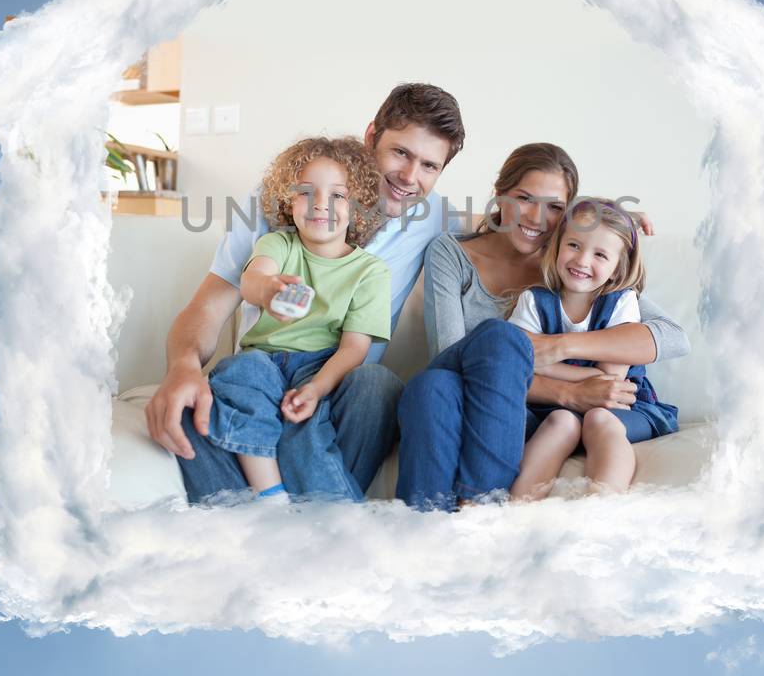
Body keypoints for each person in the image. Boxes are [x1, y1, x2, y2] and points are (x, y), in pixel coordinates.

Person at [145, 83, 465, 502]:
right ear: (371, 136)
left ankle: (268, 512)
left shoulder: (440, 220)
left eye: (429, 166)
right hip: (263, 377)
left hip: (339, 390)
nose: (409, 178)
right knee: (189, 409)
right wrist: (182, 366)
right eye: (401, 153)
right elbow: (213, 300)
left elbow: (513, 249)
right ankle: (297, 521)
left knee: (378, 385)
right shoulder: (284, 198)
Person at [397, 143, 690, 510]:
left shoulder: (571, 268)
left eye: (554, 207)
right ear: (499, 195)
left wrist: (562, 346)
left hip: (524, 415)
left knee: (438, 381)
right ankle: (421, 529)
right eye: (523, 198)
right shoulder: (452, 253)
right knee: (434, 383)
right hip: (490, 396)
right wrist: (569, 395)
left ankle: (481, 508)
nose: (537, 218)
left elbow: (673, 337)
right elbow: (448, 358)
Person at [203, 137, 392, 501]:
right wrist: (270, 289)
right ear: (290, 200)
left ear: (358, 206)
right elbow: (251, 280)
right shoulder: (278, 244)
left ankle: (332, 513)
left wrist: (316, 389)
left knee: (309, 421)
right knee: (238, 370)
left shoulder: (371, 272)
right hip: (263, 363)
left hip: (320, 365)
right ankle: (270, 492)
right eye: (307, 192)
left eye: (338, 195)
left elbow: (354, 348)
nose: (322, 204)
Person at [506, 198, 680, 500]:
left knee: (599, 418)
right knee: (560, 422)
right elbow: (517, 362)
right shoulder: (533, 301)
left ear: (616, 268)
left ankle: (599, 509)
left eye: (600, 254)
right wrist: (586, 383)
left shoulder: (621, 302)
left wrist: (545, 363)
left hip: (622, 407)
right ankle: (519, 512)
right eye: (574, 245)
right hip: (550, 408)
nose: (583, 261)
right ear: (558, 246)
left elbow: (610, 380)